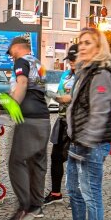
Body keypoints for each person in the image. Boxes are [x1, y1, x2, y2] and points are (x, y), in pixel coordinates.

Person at [61, 28, 111, 220]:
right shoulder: (84, 70)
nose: (82, 46)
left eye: (88, 43)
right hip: (79, 140)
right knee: (74, 190)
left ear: (99, 48)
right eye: (81, 42)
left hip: (92, 143)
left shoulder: (101, 74)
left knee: (91, 194)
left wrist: (86, 141)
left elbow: (100, 112)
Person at [6, 36, 51, 220]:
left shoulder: (21, 61)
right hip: (43, 117)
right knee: (38, 163)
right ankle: (36, 206)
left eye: (11, 53)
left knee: (16, 162)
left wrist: (12, 106)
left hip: (29, 118)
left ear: (16, 48)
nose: (11, 56)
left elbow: (22, 84)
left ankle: (23, 208)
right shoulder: (39, 64)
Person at [45, 44, 78, 208]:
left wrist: (60, 98)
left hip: (77, 124)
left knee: (75, 160)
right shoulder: (66, 74)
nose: (71, 62)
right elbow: (60, 94)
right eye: (70, 59)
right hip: (62, 120)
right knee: (56, 157)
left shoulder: (85, 77)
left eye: (74, 58)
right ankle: (56, 193)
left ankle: (76, 198)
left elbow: (72, 98)